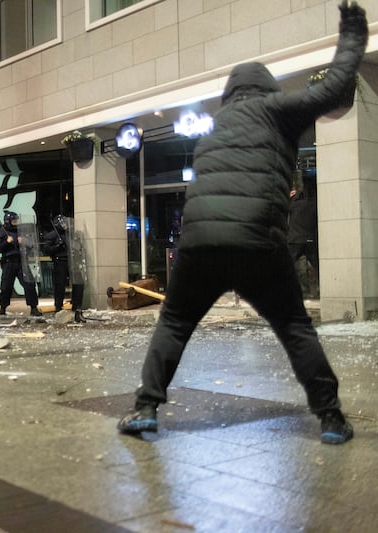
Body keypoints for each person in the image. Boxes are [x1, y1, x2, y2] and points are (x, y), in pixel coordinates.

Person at [117, 0, 367, 445]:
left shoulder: (215, 127)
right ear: (267, 88)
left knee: (174, 323)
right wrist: (353, 32)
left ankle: (145, 408)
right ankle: (330, 418)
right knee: (293, 327)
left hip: (200, 244)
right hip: (256, 243)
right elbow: (334, 87)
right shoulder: (277, 110)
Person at [0, 211, 41, 317]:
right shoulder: (2, 233)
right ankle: (3, 308)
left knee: (29, 284)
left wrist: (24, 241)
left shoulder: (21, 232)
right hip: (8, 263)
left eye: (16, 220)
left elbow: (31, 245)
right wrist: (6, 242)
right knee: (6, 287)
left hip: (21, 262)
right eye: (14, 221)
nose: (16, 222)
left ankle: (33, 307)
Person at [43, 214, 85, 323]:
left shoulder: (71, 234)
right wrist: (57, 246)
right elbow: (46, 250)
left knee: (78, 283)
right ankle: (58, 306)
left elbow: (78, 246)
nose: (65, 225)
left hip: (72, 261)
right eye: (63, 223)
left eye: (66, 223)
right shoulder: (52, 235)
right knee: (59, 284)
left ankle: (76, 305)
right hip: (60, 261)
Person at [288, 181, 319, 299]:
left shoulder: (292, 204)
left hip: (295, 240)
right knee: (317, 265)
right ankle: (316, 290)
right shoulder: (313, 203)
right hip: (310, 239)